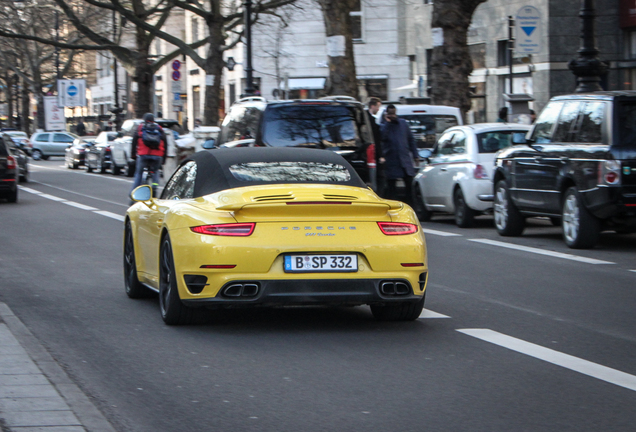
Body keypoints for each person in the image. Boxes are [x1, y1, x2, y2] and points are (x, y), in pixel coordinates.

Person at [380, 104, 419, 204]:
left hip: (404, 160)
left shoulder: (403, 123)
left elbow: (411, 140)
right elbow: (382, 137)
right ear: (387, 114)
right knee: (391, 187)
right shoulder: (384, 125)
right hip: (392, 161)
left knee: (409, 186)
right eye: (390, 113)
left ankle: (411, 206)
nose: (392, 115)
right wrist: (388, 123)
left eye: (393, 113)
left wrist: (415, 155)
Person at [130, 113, 167, 201]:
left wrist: (133, 155)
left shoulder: (140, 127)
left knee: (139, 173)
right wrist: (163, 158)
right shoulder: (159, 128)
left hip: (143, 154)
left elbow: (134, 142)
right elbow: (165, 143)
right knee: (155, 171)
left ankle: (133, 193)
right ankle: (154, 187)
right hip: (157, 155)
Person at [366, 97, 384, 195]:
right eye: (377, 107)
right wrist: (380, 155)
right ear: (372, 106)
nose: (378, 109)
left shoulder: (368, 119)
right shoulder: (370, 121)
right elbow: (376, 139)